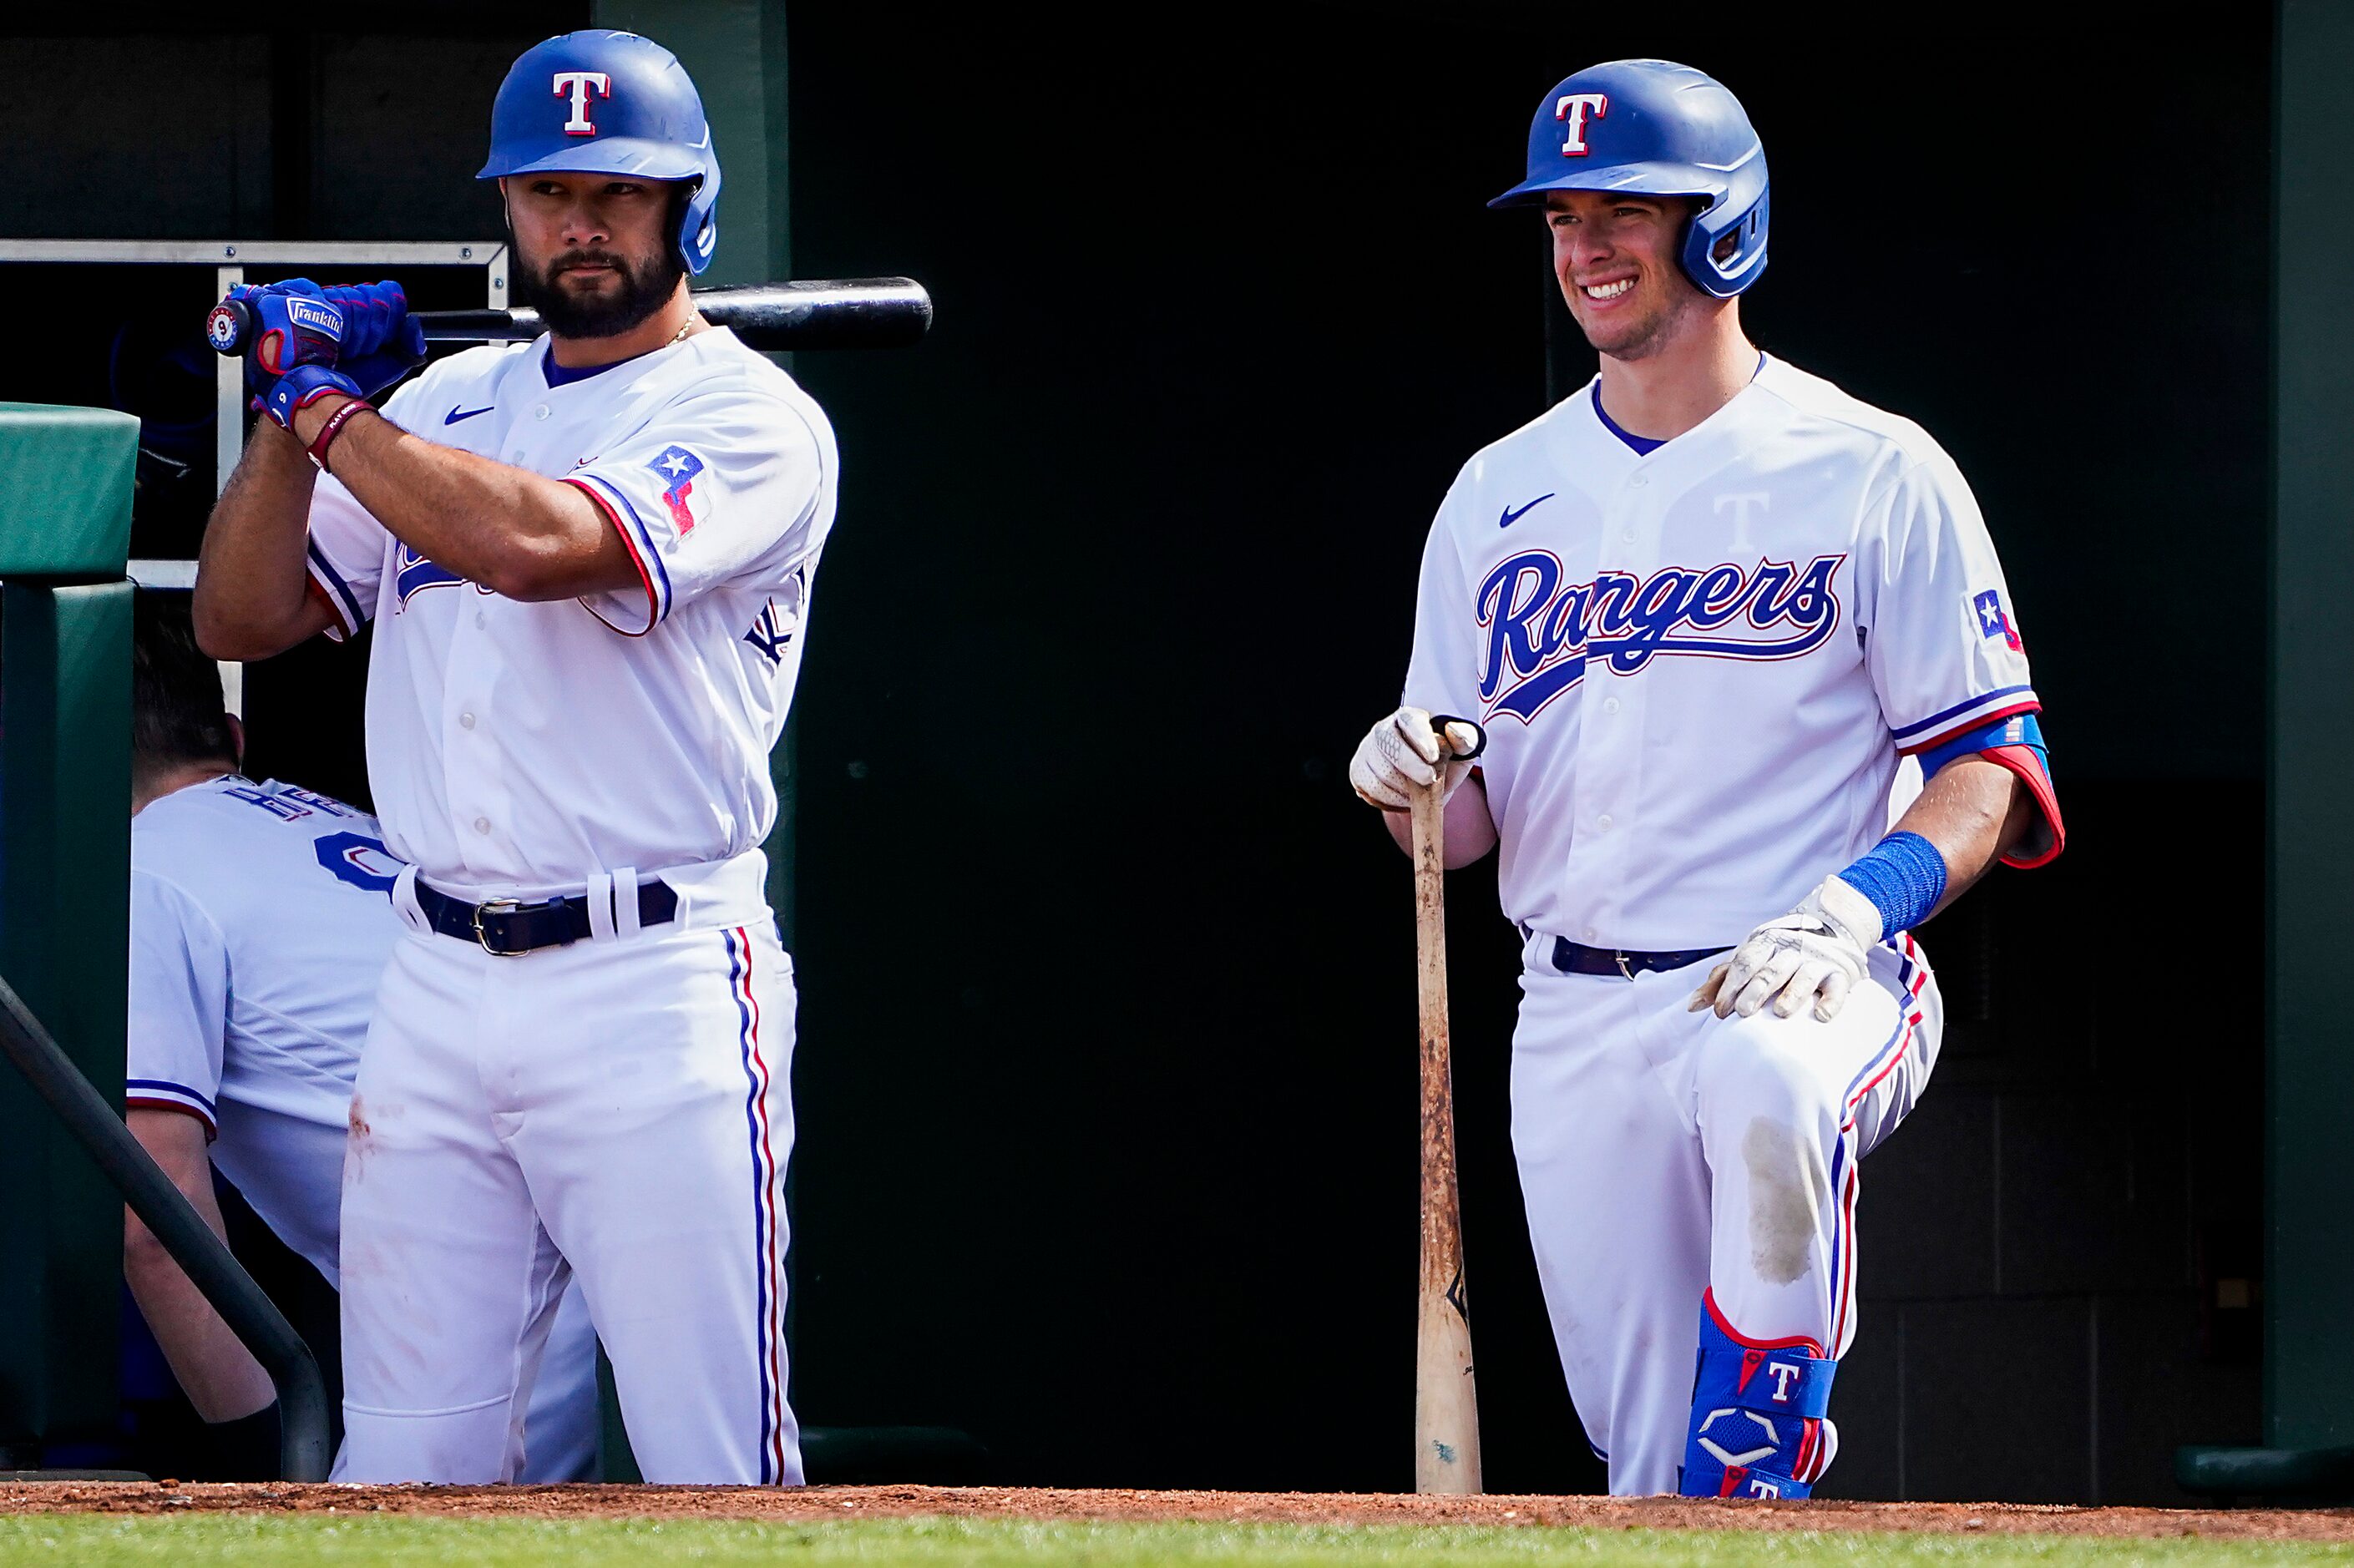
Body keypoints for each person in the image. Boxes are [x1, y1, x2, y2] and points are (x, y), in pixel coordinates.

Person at [1348, 59, 2063, 1500]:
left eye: (1627, 210)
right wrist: (1403, 783)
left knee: (1760, 1083)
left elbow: (1985, 770)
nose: (1584, 248)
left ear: (1722, 225)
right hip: (1571, 1006)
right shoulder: (1495, 493)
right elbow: (1467, 830)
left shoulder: (1871, 467)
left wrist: (1850, 913)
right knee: (1640, 1474)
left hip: (1796, 971)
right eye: (1559, 217)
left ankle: (1764, 1471)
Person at [190, 28, 835, 1484]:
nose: (582, 222)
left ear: (691, 208)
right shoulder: (446, 404)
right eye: (547, 191)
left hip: (652, 977)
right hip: (429, 979)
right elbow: (243, 613)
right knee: (404, 1463)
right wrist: (295, 430)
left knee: (706, 1458)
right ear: (507, 208)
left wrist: (330, 405)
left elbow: (543, 547)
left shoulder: (746, 416)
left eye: (621, 190)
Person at [122, 593, 599, 1480]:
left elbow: (153, 1223)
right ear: (232, 735)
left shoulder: (146, 873)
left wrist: (271, 1469)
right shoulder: (331, 820)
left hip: (488, 1336)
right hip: (585, 1283)